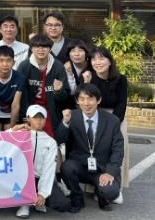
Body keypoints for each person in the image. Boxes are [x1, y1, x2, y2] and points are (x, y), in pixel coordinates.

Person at [57, 84, 124, 213]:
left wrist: (110, 172)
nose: (86, 103)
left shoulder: (112, 120)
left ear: (98, 100)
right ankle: (77, 198)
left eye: (90, 99)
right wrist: (65, 123)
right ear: (77, 101)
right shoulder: (72, 117)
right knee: (66, 167)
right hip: (81, 166)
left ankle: (102, 196)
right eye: (82, 99)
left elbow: (118, 150)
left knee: (110, 191)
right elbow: (59, 140)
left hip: (103, 168)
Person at [10, 104, 71, 217]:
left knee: (64, 204)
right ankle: (25, 204)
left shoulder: (50, 142)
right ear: (28, 118)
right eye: (35, 117)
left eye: (42, 118)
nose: (39, 120)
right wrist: (12, 129)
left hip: (39, 179)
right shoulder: (18, 134)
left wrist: (43, 193)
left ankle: (38, 199)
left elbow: (49, 169)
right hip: (20, 178)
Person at [83, 46, 129, 192]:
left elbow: (121, 104)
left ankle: (116, 186)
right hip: (94, 116)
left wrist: (112, 125)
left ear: (109, 61)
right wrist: (86, 83)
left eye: (101, 58)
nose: (97, 62)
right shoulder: (89, 77)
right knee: (95, 151)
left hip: (116, 118)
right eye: (94, 59)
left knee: (118, 150)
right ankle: (94, 187)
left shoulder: (121, 79)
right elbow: (85, 101)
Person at [17, 34, 69, 136]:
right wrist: (25, 114)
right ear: (31, 49)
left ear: (50, 49)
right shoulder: (24, 66)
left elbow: (64, 97)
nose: (41, 50)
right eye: (37, 46)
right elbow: (20, 94)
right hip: (30, 111)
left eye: (45, 46)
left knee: (50, 140)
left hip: (51, 112)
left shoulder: (58, 67)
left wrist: (58, 91)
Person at [63, 40, 91, 105]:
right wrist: (69, 74)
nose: (77, 54)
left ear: (86, 53)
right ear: (69, 54)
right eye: (73, 51)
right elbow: (72, 92)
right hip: (71, 104)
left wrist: (87, 82)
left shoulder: (92, 66)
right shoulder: (66, 66)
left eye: (80, 50)